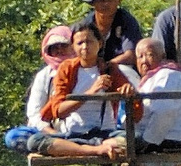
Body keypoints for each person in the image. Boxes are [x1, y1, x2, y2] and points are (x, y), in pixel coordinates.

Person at [30, 25, 138, 157]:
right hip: (74, 134)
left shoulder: (110, 69)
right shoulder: (67, 69)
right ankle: (95, 150)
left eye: (89, 42)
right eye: (80, 43)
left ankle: (98, 147)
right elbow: (59, 111)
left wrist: (129, 93)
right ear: (73, 47)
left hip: (105, 134)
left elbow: (136, 112)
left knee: (136, 139)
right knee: (35, 141)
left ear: (100, 43)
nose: (85, 47)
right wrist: (91, 92)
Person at [114, 37, 181, 152]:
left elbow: (165, 111)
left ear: (163, 57)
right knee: (111, 138)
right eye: (140, 56)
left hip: (171, 139)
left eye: (149, 55)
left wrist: (147, 142)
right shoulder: (150, 79)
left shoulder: (167, 75)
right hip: (157, 137)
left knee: (113, 141)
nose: (144, 61)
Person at [73, 0, 143, 68]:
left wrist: (107, 65)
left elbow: (131, 55)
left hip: (121, 71)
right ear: (93, 3)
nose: (105, 3)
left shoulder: (126, 21)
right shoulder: (86, 25)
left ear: (119, 0)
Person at [25, 25, 73, 128]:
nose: (59, 50)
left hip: (77, 127)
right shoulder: (44, 75)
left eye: (64, 45)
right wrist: (47, 130)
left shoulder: (83, 68)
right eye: (55, 47)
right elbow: (34, 113)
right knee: (14, 136)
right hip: (48, 129)